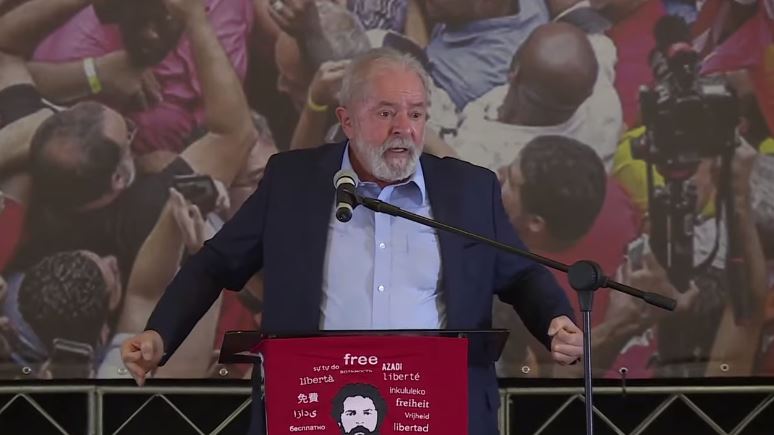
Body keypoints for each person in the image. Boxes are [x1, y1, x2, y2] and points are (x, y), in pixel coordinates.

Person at [120, 47, 583, 435]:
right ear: (346, 120)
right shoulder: (293, 182)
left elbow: (521, 274)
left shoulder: (470, 190)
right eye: (385, 113)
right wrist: (161, 334)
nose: (404, 128)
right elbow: (215, 264)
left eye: (416, 114)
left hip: (436, 406)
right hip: (314, 403)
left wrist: (555, 320)